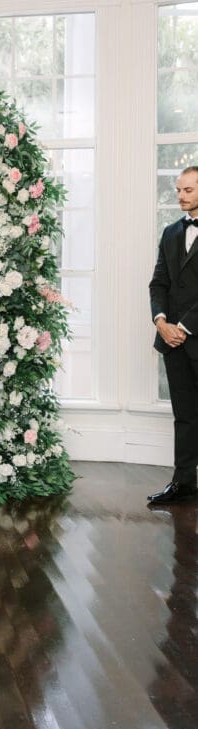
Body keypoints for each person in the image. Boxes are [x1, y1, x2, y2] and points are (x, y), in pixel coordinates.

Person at [148, 165, 198, 505]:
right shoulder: (169, 233)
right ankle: (184, 483)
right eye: (178, 189)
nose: (180, 195)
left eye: (188, 190)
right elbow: (159, 283)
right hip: (172, 341)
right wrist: (161, 321)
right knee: (184, 414)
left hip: (191, 334)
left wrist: (183, 326)